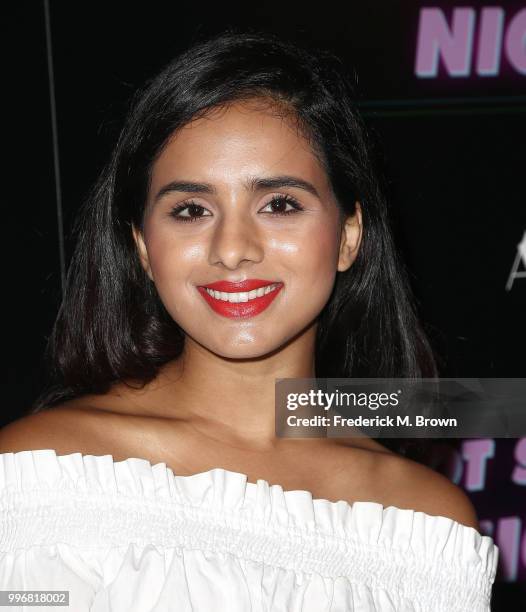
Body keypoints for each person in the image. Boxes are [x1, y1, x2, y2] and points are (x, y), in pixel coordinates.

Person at [0, 29, 498, 611]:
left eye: (279, 204)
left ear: (348, 235)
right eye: (191, 210)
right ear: (142, 247)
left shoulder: (423, 526)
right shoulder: (41, 478)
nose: (232, 248)